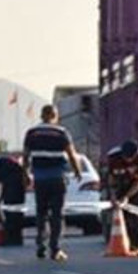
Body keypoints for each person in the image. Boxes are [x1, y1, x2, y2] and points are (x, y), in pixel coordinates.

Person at [23, 105, 84, 262]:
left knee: (41, 213)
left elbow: (25, 156)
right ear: (55, 116)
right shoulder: (61, 132)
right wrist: (77, 171)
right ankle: (55, 248)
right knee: (57, 214)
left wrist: (26, 174)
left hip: (40, 179)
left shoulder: (32, 133)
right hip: (57, 178)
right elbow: (71, 154)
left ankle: (40, 245)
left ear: (42, 115)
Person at [105, 140, 138, 257]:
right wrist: (113, 195)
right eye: (126, 158)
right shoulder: (113, 156)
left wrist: (127, 197)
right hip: (119, 183)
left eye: (131, 158)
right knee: (117, 215)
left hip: (135, 187)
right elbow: (111, 178)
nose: (128, 160)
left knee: (137, 217)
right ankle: (120, 244)